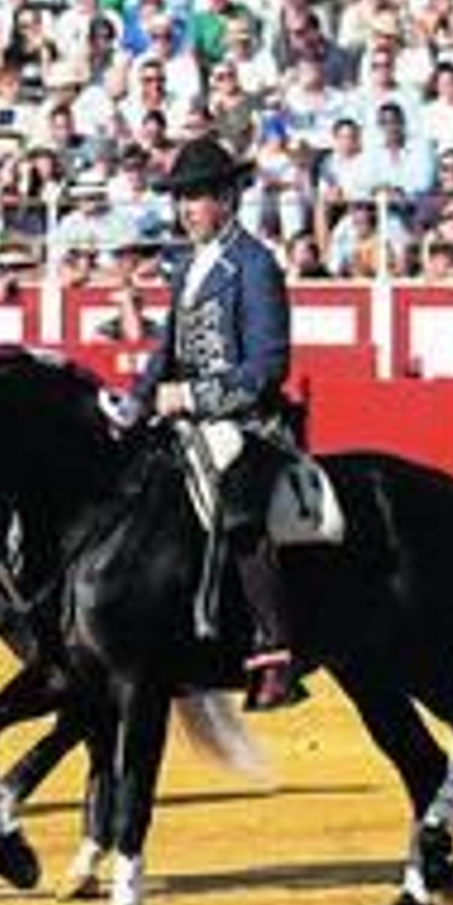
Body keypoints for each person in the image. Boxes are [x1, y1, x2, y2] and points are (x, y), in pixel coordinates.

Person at [113, 136, 303, 712]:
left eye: (195, 197)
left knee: (237, 499)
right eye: (180, 199)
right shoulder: (189, 267)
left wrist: (194, 395)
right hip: (185, 418)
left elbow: (269, 366)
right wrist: (135, 403)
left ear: (226, 198)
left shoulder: (254, 263)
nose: (185, 209)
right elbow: (164, 353)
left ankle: (276, 650)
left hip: (250, 425)